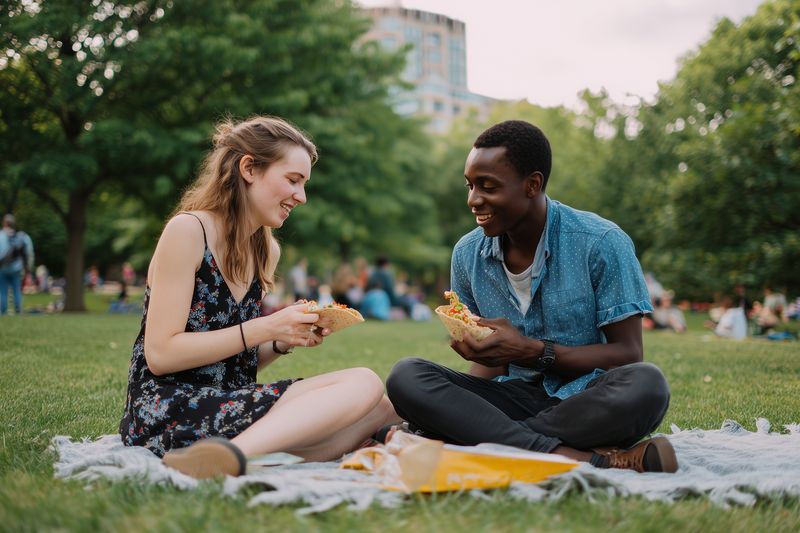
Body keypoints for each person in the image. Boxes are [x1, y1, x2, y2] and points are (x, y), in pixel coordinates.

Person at [386, 120, 677, 473]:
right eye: (470, 185)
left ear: (532, 184)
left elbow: (628, 354)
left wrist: (531, 351)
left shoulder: (601, 242)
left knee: (647, 385)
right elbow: (494, 366)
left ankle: (472, 444)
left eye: (488, 186)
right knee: (407, 376)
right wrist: (470, 372)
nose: (473, 200)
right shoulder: (466, 254)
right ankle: (580, 458)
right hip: (512, 399)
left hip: (586, 400)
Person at [119, 116, 396, 479]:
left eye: (304, 184)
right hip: (166, 409)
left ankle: (235, 453)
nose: (302, 196)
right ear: (249, 168)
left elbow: (233, 364)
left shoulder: (266, 251)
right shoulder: (188, 231)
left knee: (386, 407)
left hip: (228, 403)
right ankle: (231, 456)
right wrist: (265, 327)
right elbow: (161, 356)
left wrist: (280, 341)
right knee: (364, 382)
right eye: (293, 180)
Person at [0, 214, 34, 315]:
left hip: (2, 268)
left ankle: (3, 310)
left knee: (3, 290)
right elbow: (29, 253)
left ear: (4, 223)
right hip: (16, 268)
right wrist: (28, 270)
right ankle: (18, 309)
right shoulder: (22, 236)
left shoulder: (1, 235)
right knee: (16, 289)